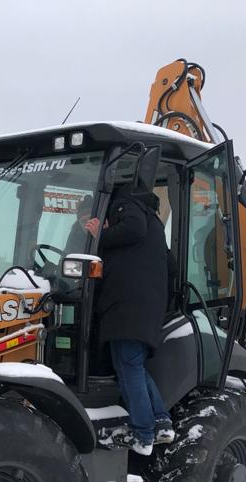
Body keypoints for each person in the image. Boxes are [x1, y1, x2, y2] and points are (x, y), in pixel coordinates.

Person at [93, 184, 174, 456]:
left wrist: (98, 236)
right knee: (133, 366)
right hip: (145, 306)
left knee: (128, 366)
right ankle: (161, 421)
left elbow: (132, 228)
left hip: (127, 306)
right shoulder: (155, 223)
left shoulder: (125, 203)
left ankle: (142, 433)